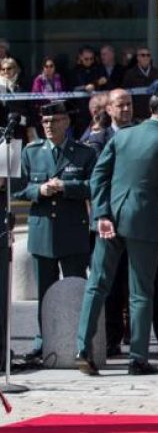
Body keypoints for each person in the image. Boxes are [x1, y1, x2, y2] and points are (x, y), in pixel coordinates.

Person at [76, 95, 158, 376]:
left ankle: (82, 347)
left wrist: (101, 214)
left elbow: (98, 177)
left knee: (97, 284)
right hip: (144, 217)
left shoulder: (124, 136)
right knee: (140, 292)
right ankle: (137, 357)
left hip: (112, 214)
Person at [12, 100, 97, 360]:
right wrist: (39, 190)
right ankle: (43, 339)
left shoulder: (83, 153)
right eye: (45, 121)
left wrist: (66, 187)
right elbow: (17, 189)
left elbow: (94, 185)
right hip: (43, 232)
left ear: (66, 122)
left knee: (76, 287)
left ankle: (81, 341)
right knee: (45, 292)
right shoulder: (31, 152)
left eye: (55, 121)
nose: (49, 126)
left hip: (72, 231)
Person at [122, 47, 158, 120]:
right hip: (137, 115)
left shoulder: (157, 73)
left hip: (153, 114)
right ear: (138, 57)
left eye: (148, 55)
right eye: (143, 55)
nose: (146, 57)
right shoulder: (130, 74)